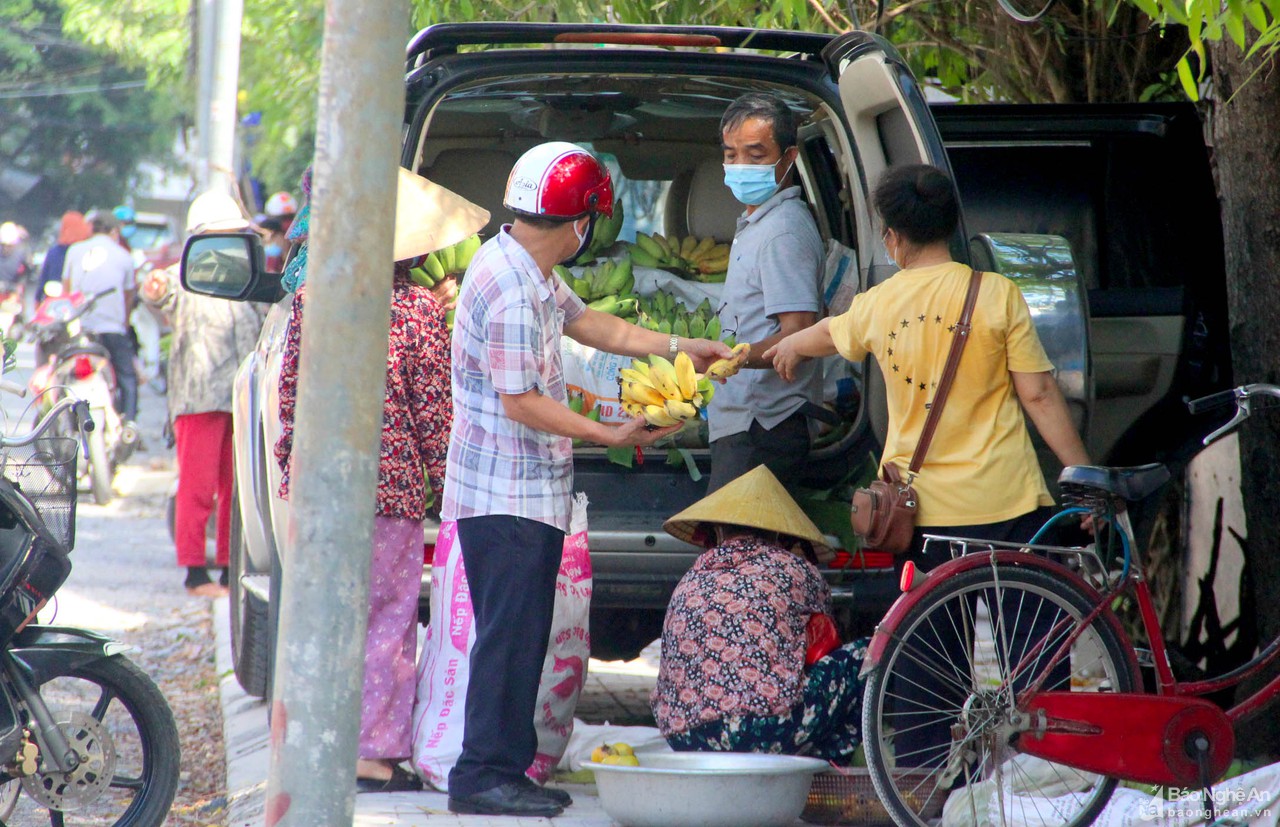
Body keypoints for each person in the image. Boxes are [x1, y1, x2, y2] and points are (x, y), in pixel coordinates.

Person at [766, 162, 1090, 768]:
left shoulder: (880, 303)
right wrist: (1080, 476)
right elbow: (1040, 395)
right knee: (1037, 658)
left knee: (924, 665)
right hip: (1010, 510)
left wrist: (784, 345)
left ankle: (924, 780)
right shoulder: (997, 295)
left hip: (924, 521)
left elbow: (829, 333)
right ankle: (1054, 774)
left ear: (893, 237)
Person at [443, 141, 731, 818]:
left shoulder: (529, 267)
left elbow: (591, 323)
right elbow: (522, 402)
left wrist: (680, 347)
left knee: (519, 635)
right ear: (581, 224)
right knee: (509, 637)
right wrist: (609, 434)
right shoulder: (512, 285)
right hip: (504, 494)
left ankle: (500, 768)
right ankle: (482, 776)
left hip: (525, 491)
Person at [275, 168, 487, 793]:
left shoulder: (314, 299)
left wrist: (291, 475)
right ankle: (371, 753)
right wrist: (452, 480)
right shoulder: (419, 314)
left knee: (326, 618)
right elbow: (433, 412)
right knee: (388, 621)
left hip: (320, 490)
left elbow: (290, 397)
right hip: (389, 495)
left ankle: (319, 742)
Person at [651, 465, 867, 760]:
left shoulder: (691, 576)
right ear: (779, 531)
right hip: (761, 732)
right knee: (867, 656)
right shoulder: (794, 569)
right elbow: (824, 638)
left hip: (684, 734)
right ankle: (824, 763)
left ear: (718, 531)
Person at [140, 191, 267, 597]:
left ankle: (232, 571)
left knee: (237, 489)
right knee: (197, 487)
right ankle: (195, 574)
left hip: (243, 395)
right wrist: (154, 286)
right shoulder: (184, 273)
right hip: (199, 397)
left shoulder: (250, 272)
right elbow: (160, 292)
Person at [705, 92, 825, 495]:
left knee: (744, 555)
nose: (740, 167)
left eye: (756, 156)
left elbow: (799, 332)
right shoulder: (759, 222)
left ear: (788, 158)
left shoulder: (783, 232)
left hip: (763, 426)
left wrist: (731, 359)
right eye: (731, 154)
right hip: (743, 422)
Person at [62, 211, 140, 424]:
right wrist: (122, 323)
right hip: (112, 329)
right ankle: (130, 422)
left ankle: (65, 420)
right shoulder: (124, 256)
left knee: (65, 372)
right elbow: (128, 297)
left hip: (80, 330)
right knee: (127, 376)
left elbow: (67, 291)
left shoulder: (75, 251)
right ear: (114, 231)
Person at [34, 211, 91, 301]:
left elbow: (43, 280)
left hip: (56, 302)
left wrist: (37, 300)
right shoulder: (86, 252)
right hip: (75, 301)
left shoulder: (54, 252)